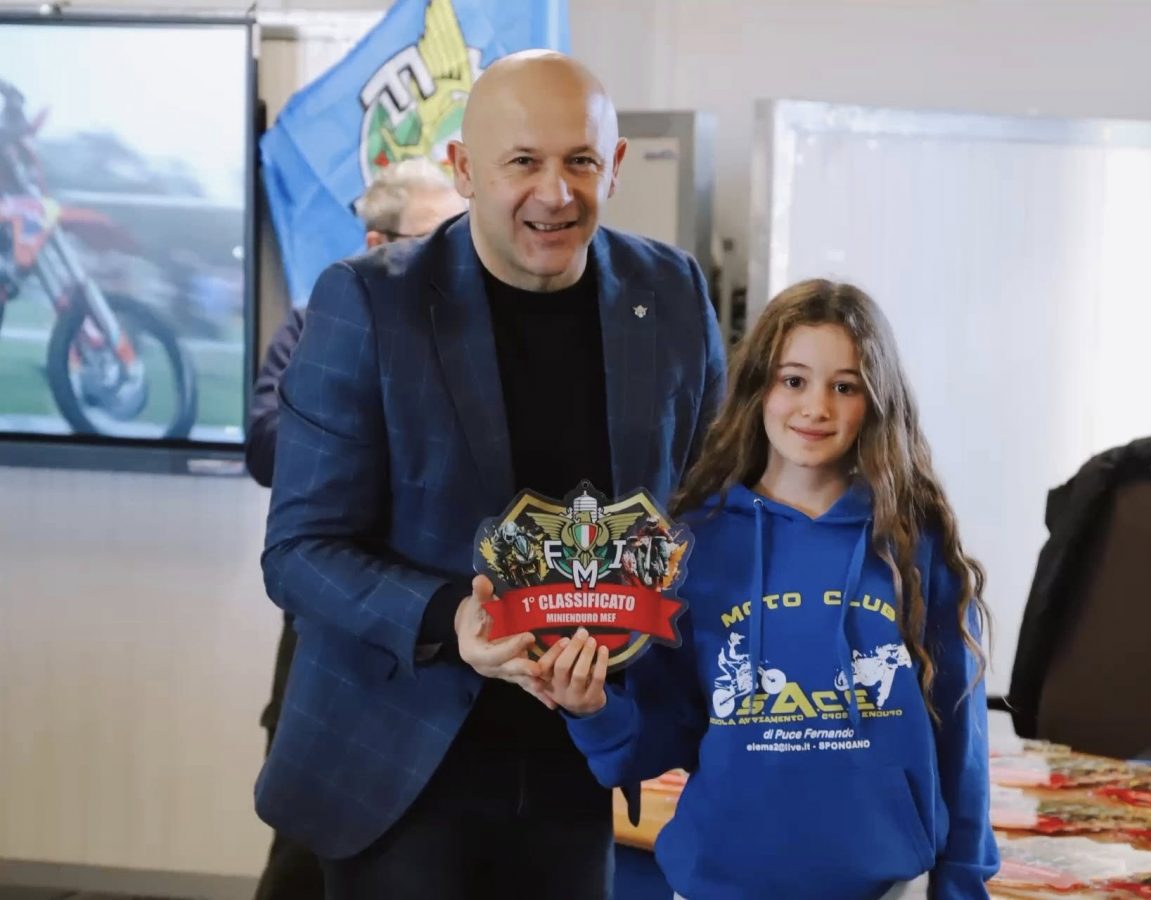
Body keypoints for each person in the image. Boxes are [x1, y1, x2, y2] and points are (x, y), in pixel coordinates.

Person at [255, 49, 725, 900]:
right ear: (465, 169)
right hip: (401, 767)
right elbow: (299, 552)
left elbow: (712, 509)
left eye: (580, 160)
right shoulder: (369, 303)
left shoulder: (673, 293)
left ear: (615, 166)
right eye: (523, 162)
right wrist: (453, 615)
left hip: (582, 757)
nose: (556, 192)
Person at [544, 279, 1000, 900]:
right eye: (794, 380)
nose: (816, 408)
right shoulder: (690, 547)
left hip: (887, 888)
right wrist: (591, 709)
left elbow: (961, 741)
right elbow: (658, 734)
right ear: (758, 389)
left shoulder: (914, 546)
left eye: (845, 387)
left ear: (877, 401)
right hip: (720, 887)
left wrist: (962, 883)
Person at [245, 156, 467, 900]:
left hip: (451, 645)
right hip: (333, 636)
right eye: (433, 240)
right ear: (378, 245)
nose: (456, 259)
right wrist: (357, 429)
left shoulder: (475, 341)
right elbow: (265, 444)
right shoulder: (319, 324)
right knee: (307, 857)